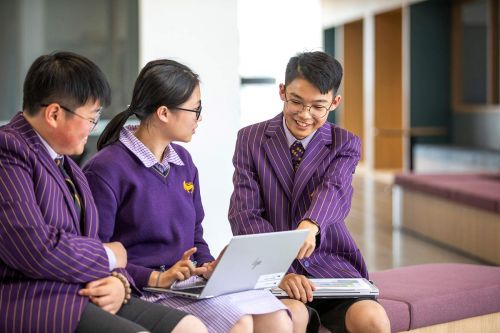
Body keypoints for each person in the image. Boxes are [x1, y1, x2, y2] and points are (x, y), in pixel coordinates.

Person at [83, 59, 310, 333]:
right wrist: (157, 277)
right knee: (241, 323)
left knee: (278, 320)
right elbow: (96, 254)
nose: (199, 118)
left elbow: (195, 237)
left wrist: (208, 266)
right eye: (196, 109)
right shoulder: (106, 169)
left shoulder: (183, 162)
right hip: (142, 289)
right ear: (164, 113)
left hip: (186, 286)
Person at [0, 51, 207, 333]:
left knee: (190, 327)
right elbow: (34, 246)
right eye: (90, 117)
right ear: (54, 114)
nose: (93, 127)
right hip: (35, 298)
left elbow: (86, 241)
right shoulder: (9, 151)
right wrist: (109, 257)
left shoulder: (68, 166)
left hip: (84, 289)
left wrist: (119, 281)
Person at [228, 51, 391, 333]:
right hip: (272, 269)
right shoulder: (250, 138)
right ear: (282, 91)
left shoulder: (345, 142)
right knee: (293, 316)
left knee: (373, 320)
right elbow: (244, 212)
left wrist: (312, 223)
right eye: (296, 102)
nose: (305, 115)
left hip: (331, 265)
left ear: (334, 102)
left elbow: (336, 188)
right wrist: (276, 271)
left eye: (318, 106)